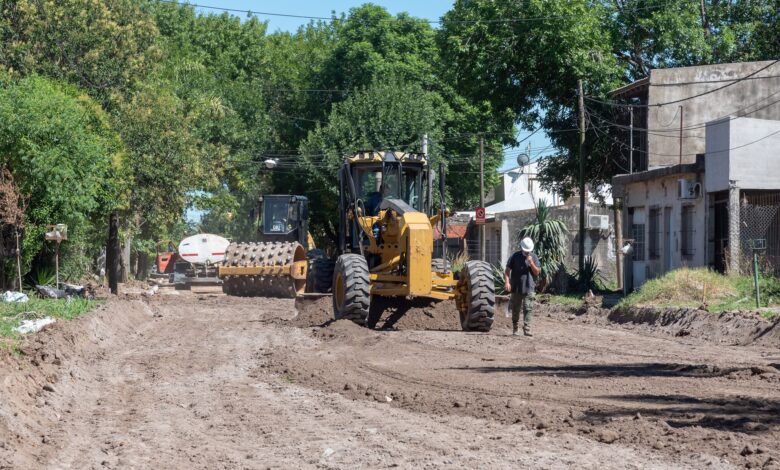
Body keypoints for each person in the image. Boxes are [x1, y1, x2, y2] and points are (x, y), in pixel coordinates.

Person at [504, 237, 541, 337]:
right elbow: (507, 271)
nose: (527, 252)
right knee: (515, 309)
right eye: (526, 250)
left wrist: (531, 263)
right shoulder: (515, 256)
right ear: (522, 248)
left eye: (529, 250)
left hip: (529, 288)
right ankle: (515, 328)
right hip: (516, 288)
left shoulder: (534, 257)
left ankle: (527, 329)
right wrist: (507, 282)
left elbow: (537, 272)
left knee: (528, 308)